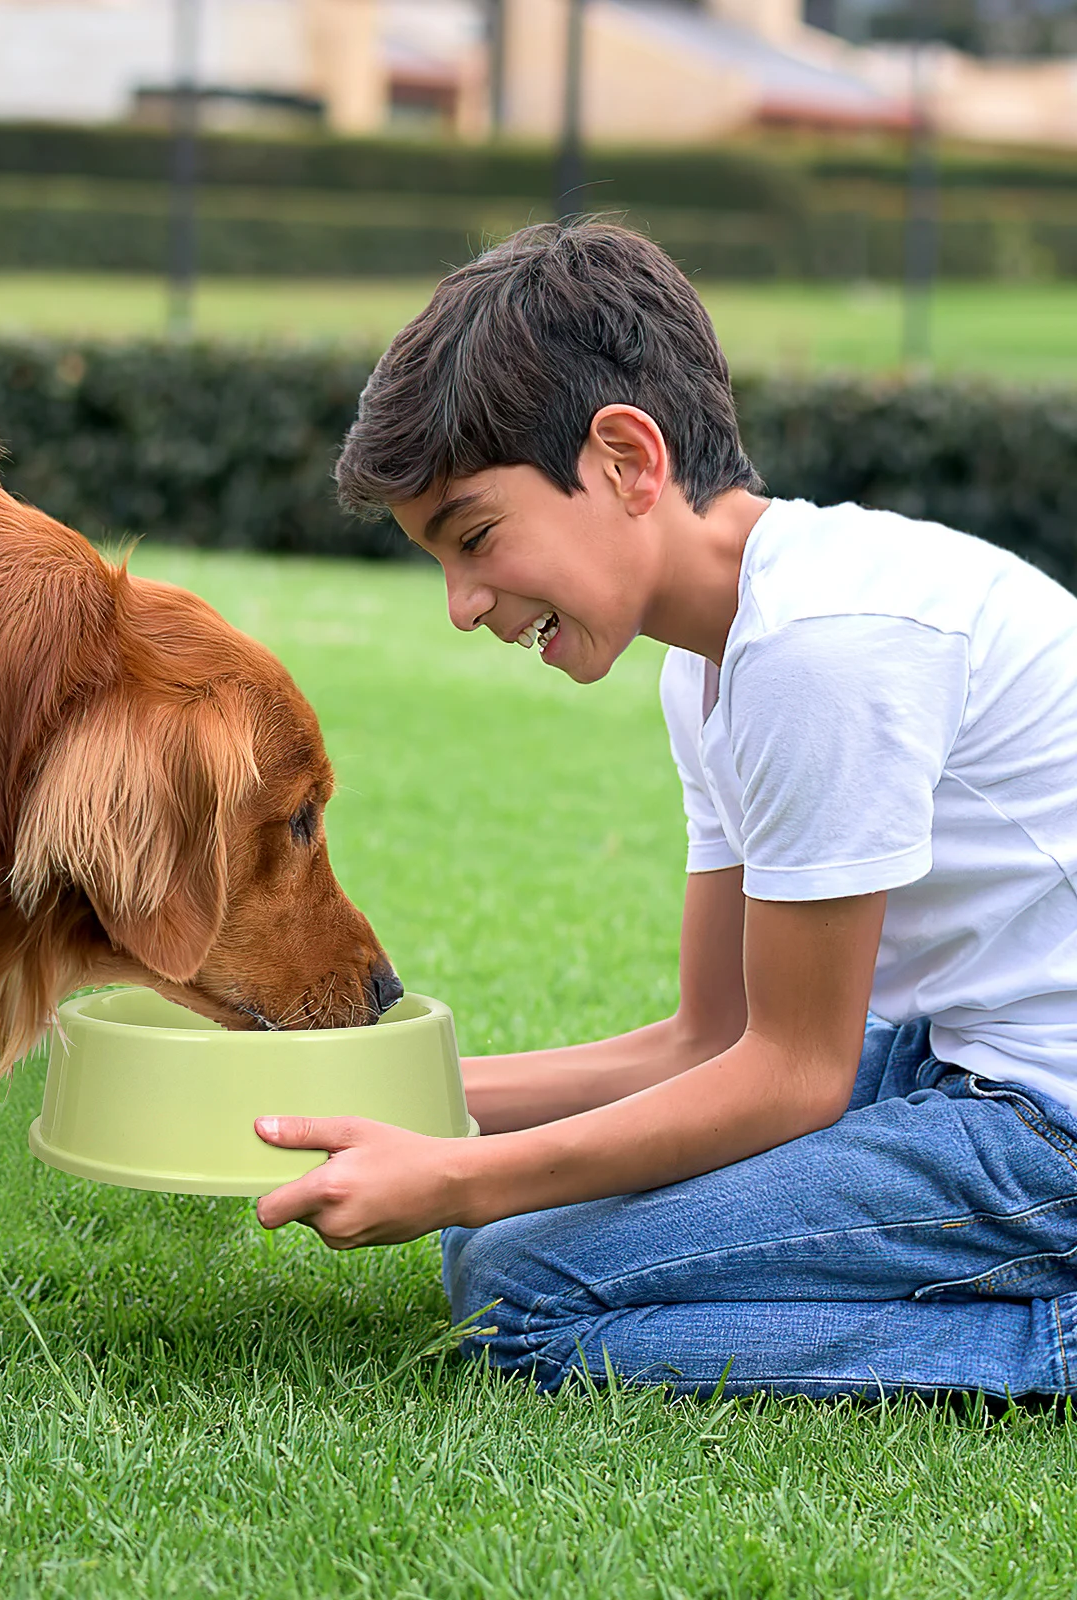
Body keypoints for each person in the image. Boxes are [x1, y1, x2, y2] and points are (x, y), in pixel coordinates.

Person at [250, 219, 1077, 1400]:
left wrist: (456, 1178)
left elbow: (793, 1075)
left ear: (627, 460)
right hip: (953, 1065)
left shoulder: (819, 652)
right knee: (501, 1244)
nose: (461, 602)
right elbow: (710, 1038)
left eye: (474, 537)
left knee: (517, 1293)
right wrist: (388, 1101)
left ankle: (1049, 1341)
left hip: (1047, 1122)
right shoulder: (717, 661)